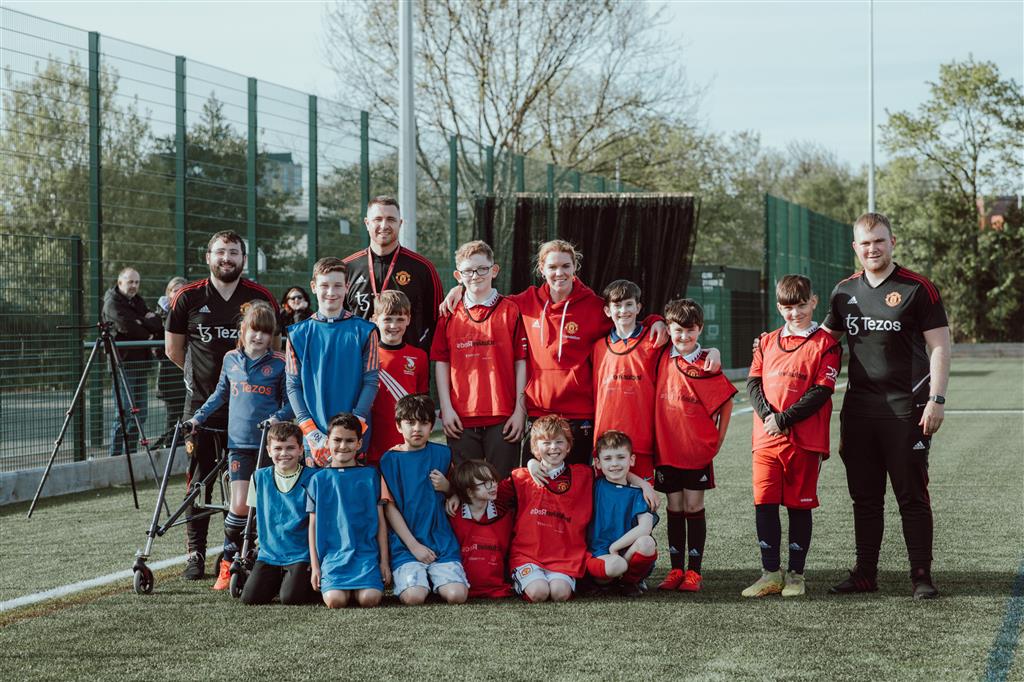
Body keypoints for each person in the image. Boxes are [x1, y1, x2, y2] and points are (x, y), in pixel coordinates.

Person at [441, 240, 703, 466]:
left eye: (566, 266)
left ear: (575, 267)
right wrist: (459, 290)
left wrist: (655, 320)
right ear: (541, 269)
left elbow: (625, 318)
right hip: (539, 413)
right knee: (535, 487)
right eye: (552, 267)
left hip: (581, 415)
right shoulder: (523, 302)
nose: (559, 273)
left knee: (576, 485)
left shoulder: (593, 305)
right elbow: (486, 296)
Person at [822, 212, 951, 600]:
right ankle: (865, 573)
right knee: (865, 497)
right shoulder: (843, 292)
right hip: (859, 413)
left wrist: (937, 400)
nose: (873, 248)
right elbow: (820, 344)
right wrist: (773, 345)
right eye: (865, 242)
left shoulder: (917, 288)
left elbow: (940, 346)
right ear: (855, 248)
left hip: (906, 410)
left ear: (892, 242)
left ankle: (921, 575)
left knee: (912, 496)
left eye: (879, 240)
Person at [165, 230, 279, 580]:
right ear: (208, 257)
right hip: (204, 405)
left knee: (251, 481)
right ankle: (195, 553)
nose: (226, 258)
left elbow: (275, 348)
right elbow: (174, 350)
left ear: (243, 259)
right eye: (220, 252)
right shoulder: (187, 297)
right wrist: (208, 383)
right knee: (200, 479)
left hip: (252, 408)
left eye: (233, 252)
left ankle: (241, 550)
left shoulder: (259, 297)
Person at [742, 275, 841, 598]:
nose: (794, 313)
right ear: (778, 307)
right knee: (764, 504)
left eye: (800, 306)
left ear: (814, 302)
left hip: (805, 439)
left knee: (799, 507)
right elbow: (753, 383)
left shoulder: (826, 344)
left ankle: (796, 575)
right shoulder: (767, 341)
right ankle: (770, 573)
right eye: (787, 307)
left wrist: (784, 419)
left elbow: (822, 390)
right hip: (766, 439)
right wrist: (769, 418)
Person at [185, 301, 293, 591]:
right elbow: (220, 394)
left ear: (272, 336)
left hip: (269, 448)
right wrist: (197, 418)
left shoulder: (280, 363)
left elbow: (290, 404)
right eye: (253, 331)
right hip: (239, 446)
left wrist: (275, 419)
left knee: (268, 508)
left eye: (265, 333)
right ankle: (229, 561)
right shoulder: (231, 359)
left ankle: (258, 559)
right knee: (239, 506)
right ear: (243, 330)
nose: (258, 338)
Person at [654, 298, 736, 593]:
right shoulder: (662, 356)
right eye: (678, 331)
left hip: (696, 451)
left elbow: (726, 402)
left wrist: (719, 440)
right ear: (669, 329)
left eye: (690, 331)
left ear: (700, 329)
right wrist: (658, 324)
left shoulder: (707, 363)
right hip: (666, 450)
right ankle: (675, 569)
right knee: (674, 507)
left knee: (693, 506)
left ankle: (694, 572)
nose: (684, 337)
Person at [431, 240, 528, 478]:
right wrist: (446, 408)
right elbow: (441, 362)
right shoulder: (449, 312)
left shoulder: (511, 310)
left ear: (494, 270)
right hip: (460, 416)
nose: (475, 275)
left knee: (503, 486)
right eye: (468, 271)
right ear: (458, 275)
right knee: (467, 487)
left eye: (482, 269)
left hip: (503, 416)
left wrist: (520, 411)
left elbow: (521, 362)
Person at [286, 257, 379, 467]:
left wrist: (354, 426)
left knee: (353, 497)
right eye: (325, 285)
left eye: (338, 285)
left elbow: (371, 382)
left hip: (353, 436)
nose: (331, 292)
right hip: (315, 437)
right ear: (314, 287)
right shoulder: (297, 334)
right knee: (317, 496)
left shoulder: (365, 331)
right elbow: (292, 386)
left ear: (347, 287)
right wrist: (311, 432)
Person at [378, 394, 469, 605]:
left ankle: (436, 577)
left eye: (423, 423)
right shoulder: (389, 460)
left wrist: (449, 489)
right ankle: (420, 578)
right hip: (406, 543)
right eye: (410, 423)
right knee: (414, 597)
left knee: (457, 595)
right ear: (399, 426)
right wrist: (414, 546)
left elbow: (458, 492)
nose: (417, 428)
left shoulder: (443, 454)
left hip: (441, 540)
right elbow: (389, 508)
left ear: (431, 426)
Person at [499, 415, 593, 602]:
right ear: (535, 448)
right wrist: (530, 463)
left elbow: (612, 470)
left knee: (560, 593)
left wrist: (643, 484)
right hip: (528, 555)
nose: (553, 448)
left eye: (559, 442)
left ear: (568, 446)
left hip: (564, 557)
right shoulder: (520, 477)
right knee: (538, 593)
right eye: (546, 443)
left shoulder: (583, 475)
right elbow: (491, 494)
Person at [307, 413, 390, 608]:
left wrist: (384, 563)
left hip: (365, 556)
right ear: (328, 441)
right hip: (333, 558)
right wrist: (316, 567)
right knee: (335, 601)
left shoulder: (371, 476)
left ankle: (363, 583)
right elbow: (312, 526)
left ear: (359, 443)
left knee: (369, 599)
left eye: (350, 440)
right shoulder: (318, 480)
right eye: (337, 440)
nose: (343, 446)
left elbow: (381, 523)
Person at [343, 195, 444, 351]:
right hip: (358, 365)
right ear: (367, 223)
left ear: (400, 223)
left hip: (407, 367)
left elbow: (439, 321)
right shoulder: (347, 268)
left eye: (391, 219)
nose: (384, 225)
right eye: (377, 219)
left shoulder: (423, 268)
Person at [240, 421, 318, 606]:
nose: (284, 453)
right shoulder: (259, 477)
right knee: (250, 598)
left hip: (300, 553)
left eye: (290, 448)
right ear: (268, 450)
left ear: (300, 449)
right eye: (278, 448)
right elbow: (256, 516)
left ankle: (293, 581)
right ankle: (278, 580)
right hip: (269, 554)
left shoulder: (314, 477)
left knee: (290, 598)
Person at [591, 279, 662, 482]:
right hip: (605, 442)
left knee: (643, 505)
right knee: (610, 506)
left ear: (638, 307)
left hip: (641, 440)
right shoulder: (598, 347)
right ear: (607, 310)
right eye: (617, 305)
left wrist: (712, 352)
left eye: (629, 304)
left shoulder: (655, 340)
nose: (624, 310)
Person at [585, 430, 659, 598]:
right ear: (597, 463)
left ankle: (628, 582)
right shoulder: (594, 485)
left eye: (621, 457)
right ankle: (602, 581)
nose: (615, 464)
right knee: (614, 566)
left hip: (627, 552)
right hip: (601, 554)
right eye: (608, 459)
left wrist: (615, 547)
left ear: (631, 460)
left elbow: (645, 528)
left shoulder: (639, 493)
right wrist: (532, 463)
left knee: (647, 543)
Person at [102, 267, 162, 457]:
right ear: (120, 283)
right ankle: (116, 457)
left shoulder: (137, 301)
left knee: (140, 414)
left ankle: (132, 456)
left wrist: (140, 322)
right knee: (124, 414)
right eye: (130, 282)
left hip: (141, 364)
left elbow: (156, 322)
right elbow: (127, 327)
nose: (134, 286)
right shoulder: (112, 302)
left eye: (137, 282)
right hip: (123, 365)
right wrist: (145, 324)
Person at [367, 291, 428, 466]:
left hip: (408, 445)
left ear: (408, 319)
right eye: (387, 319)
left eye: (400, 319)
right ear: (375, 319)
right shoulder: (366, 356)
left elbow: (422, 401)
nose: (394, 325)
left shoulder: (419, 356)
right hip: (374, 444)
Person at [447, 459, 514, 599]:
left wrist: (532, 463)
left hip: (498, 589)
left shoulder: (503, 510)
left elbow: (519, 478)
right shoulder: (452, 514)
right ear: (470, 492)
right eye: (486, 483)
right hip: (461, 587)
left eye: (494, 480)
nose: (494, 486)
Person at [154, 276, 187, 447]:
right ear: (169, 293)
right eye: (175, 290)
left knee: (185, 413)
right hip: (169, 374)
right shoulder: (161, 314)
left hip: (184, 373)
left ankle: (181, 444)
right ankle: (169, 446)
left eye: (182, 290)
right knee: (172, 413)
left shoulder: (189, 312)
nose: (178, 294)